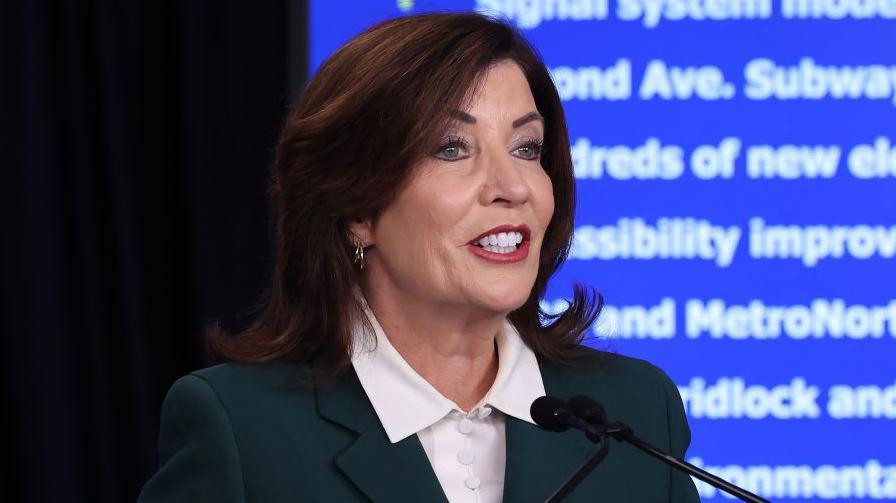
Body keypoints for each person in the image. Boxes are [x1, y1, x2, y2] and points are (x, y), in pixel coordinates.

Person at [138, 11, 700, 503]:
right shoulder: (241, 430)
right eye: (452, 148)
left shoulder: (635, 412)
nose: (513, 186)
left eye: (528, 149)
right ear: (357, 205)